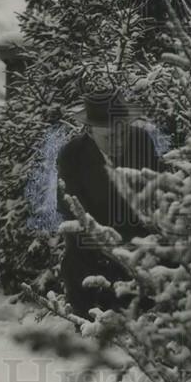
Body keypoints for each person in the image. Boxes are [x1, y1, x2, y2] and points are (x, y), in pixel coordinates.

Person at [56, 89, 162, 317]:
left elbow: (159, 192)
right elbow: (71, 213)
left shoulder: (142, 142)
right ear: (90, 132)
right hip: (91, 258)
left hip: (140, 251)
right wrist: (111, 251)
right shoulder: (71, 156)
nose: (118, 142)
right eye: (108, 137)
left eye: (122, 133)